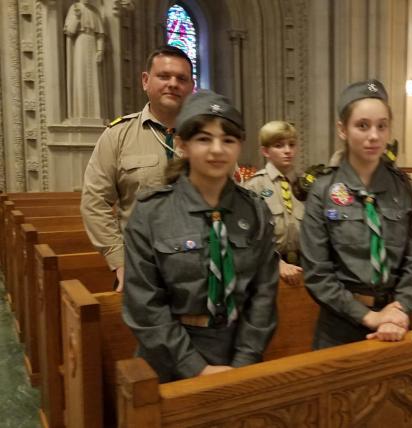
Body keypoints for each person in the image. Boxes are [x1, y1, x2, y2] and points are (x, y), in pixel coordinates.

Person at [122, 90, 279, 383]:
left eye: (228, 140)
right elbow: (144, 303)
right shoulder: (152, 213)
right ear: (183, 144)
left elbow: (263, 295)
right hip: (169, 358)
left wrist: (244, 360)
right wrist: (194, 367)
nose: (217, 150)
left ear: (240, 145)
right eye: (204, 139)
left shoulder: (255, 211)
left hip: (237, 353)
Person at [300, 79, 412, 349]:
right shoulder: (323, 190)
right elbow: (317, 273)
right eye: (362, 125)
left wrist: (400, 309)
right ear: (342, 129)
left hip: (396, 322)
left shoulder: (401, 187)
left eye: (382, 126)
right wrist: (370, 317)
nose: (374, 136)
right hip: (339, 326)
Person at [81, 45, 194, 292]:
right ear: (145, 81)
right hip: (142, 268)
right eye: (163, 76)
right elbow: (95, 202)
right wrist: (118, 259)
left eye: (181, 78)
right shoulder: (117, 135)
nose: (173, 84)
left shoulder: (211, 137)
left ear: (192, 86)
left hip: (201, 270)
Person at [242, 121, 304, 285]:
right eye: (279, 145)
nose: (287, 150)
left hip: (303, 267)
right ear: (265, 151)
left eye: (292, 144)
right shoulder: (255, 186)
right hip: (268, 268)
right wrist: (276, 262)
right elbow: (249, 235)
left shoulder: (304, 184)